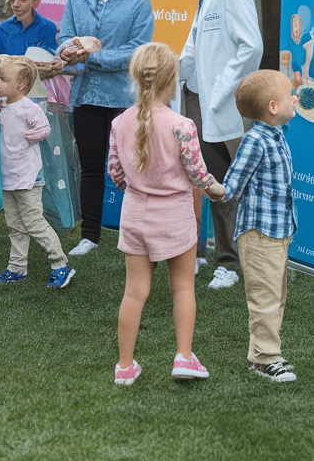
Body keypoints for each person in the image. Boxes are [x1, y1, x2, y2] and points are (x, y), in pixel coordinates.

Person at [108, 43, 225, 386]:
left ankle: (125, 367)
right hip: (175, 218)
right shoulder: (182, 125)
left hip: (134, 217)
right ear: (171, 80)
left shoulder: (118, 123)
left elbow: (116, 175)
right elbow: (198, 175)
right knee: (183, 288)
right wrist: (214, 188)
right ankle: (184, 358)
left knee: (134, 292)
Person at [170, 0, 262, 290]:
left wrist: (220, 90)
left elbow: (251, 48)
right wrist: (170, 75)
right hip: (203, 105)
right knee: (213, 181)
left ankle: (237, 261)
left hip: (225, 107)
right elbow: (193, 49)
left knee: (235, 183)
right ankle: (224, 258)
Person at [59, 0, 155, 257]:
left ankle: (136, 234)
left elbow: (136, 51)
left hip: (124, 98)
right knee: (90, 168)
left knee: (132, 168)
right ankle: (90, 235)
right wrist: (67, 51)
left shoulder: (139, 1)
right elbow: (64, 38)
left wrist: (92, 56)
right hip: (85, 97)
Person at [223, 70, 299, 383]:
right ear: (271, 107)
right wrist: (212, 187)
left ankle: (258, 356)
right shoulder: (255, 141)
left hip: (278, 231)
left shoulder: (275, 131)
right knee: (265, 298)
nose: (294, 98)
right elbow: (231, 186)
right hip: (258, 234)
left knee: (275, 296)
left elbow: (285, 106)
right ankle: (268, 359)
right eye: (289, 95)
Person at [0, 55, 74, 288]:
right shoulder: (4, 105)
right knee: (14, 225)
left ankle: (60, 264)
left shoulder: (29, 108)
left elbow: (44, 127)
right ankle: (16, 268)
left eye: (3, 80)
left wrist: (30, 136)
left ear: (21, 85)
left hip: (28, 178)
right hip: (9, 177)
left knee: (34, 222)